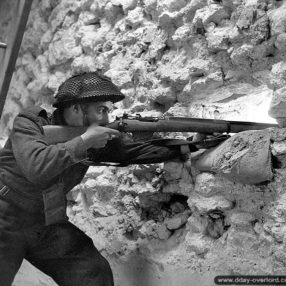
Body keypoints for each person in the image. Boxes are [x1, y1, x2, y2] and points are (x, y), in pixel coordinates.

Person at [0, 71, 196, 286]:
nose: (105, 119)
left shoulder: (92, 139)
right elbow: (37, 167)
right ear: (75, 108)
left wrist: (190, 145)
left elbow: (132, 151)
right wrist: (84, 140)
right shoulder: (29, 124)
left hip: (45, 223)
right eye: (100, 110)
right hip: (4, 216)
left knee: (92, 272)